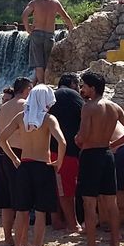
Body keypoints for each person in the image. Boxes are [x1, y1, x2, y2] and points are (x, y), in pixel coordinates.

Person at [0, 84, 66, 246]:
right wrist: (58, 162)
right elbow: (63, 142)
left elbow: (1, 139)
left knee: (21, 212)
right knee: (41, 212)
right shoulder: (49, 119)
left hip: (25, 166)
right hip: (42, 167)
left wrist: (14, 158)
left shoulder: (22, 117)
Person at [74, 71, 124, 246]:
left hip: (90, 156)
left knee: (89, 203)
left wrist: (76, 138)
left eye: (84, 86)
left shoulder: (88, 107)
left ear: (92, 88)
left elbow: (83, 136)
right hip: (106, 154)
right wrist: (112, 144)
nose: (82, 90)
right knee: (111, 203)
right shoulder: (114, 107)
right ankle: (115, 245)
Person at [0, 78, 32, 246]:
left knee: (6, 201)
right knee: (22, 202)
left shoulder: (3, 107)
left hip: (2, 153)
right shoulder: (26, 106)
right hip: (19, 153)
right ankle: (22, 241)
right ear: (27, 89)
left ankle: (8, 237)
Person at [21, 0, 75, 84]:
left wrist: (28, 28)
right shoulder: (55, 3)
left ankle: (41, 84)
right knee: (47, 63)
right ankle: (46, 82)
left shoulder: (34, 3)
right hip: (50, 35)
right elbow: (66, 17)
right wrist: (72, 29)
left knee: (38, 63)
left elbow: (24, 15)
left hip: (37, 34)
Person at [49, 73, 84, 232]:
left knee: (57, 188)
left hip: (50, 149)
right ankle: (73, 224)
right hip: (66, 150)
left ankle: (57, 220)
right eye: (78, 84)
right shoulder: (71, 95)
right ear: (71, 83)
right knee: (67, 190)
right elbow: (86, 115)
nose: (79, 88)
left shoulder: (51, 96)